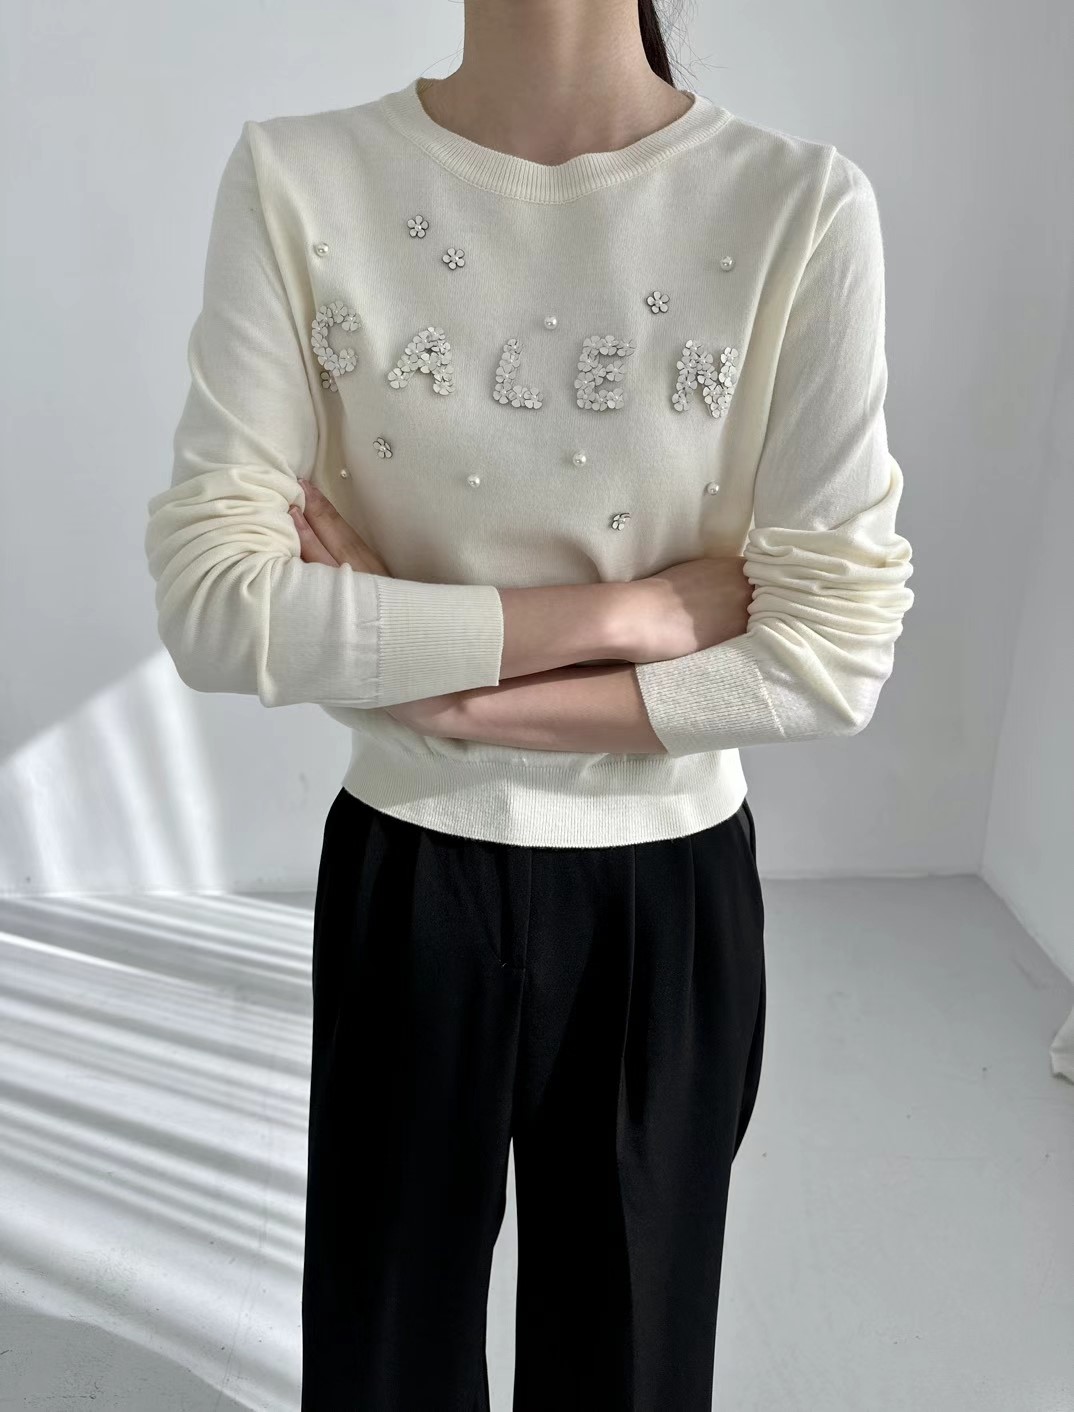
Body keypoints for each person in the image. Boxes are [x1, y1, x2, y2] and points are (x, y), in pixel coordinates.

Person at [145, 2, 915, 1407]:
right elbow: (217, 604)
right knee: (383, 1360)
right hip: (411, 876)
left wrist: (444, 691)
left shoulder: (797, 207)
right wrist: (624, 617)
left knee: (629, 1366)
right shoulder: (300, 180)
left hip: (665, 892)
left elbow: (829, 655)